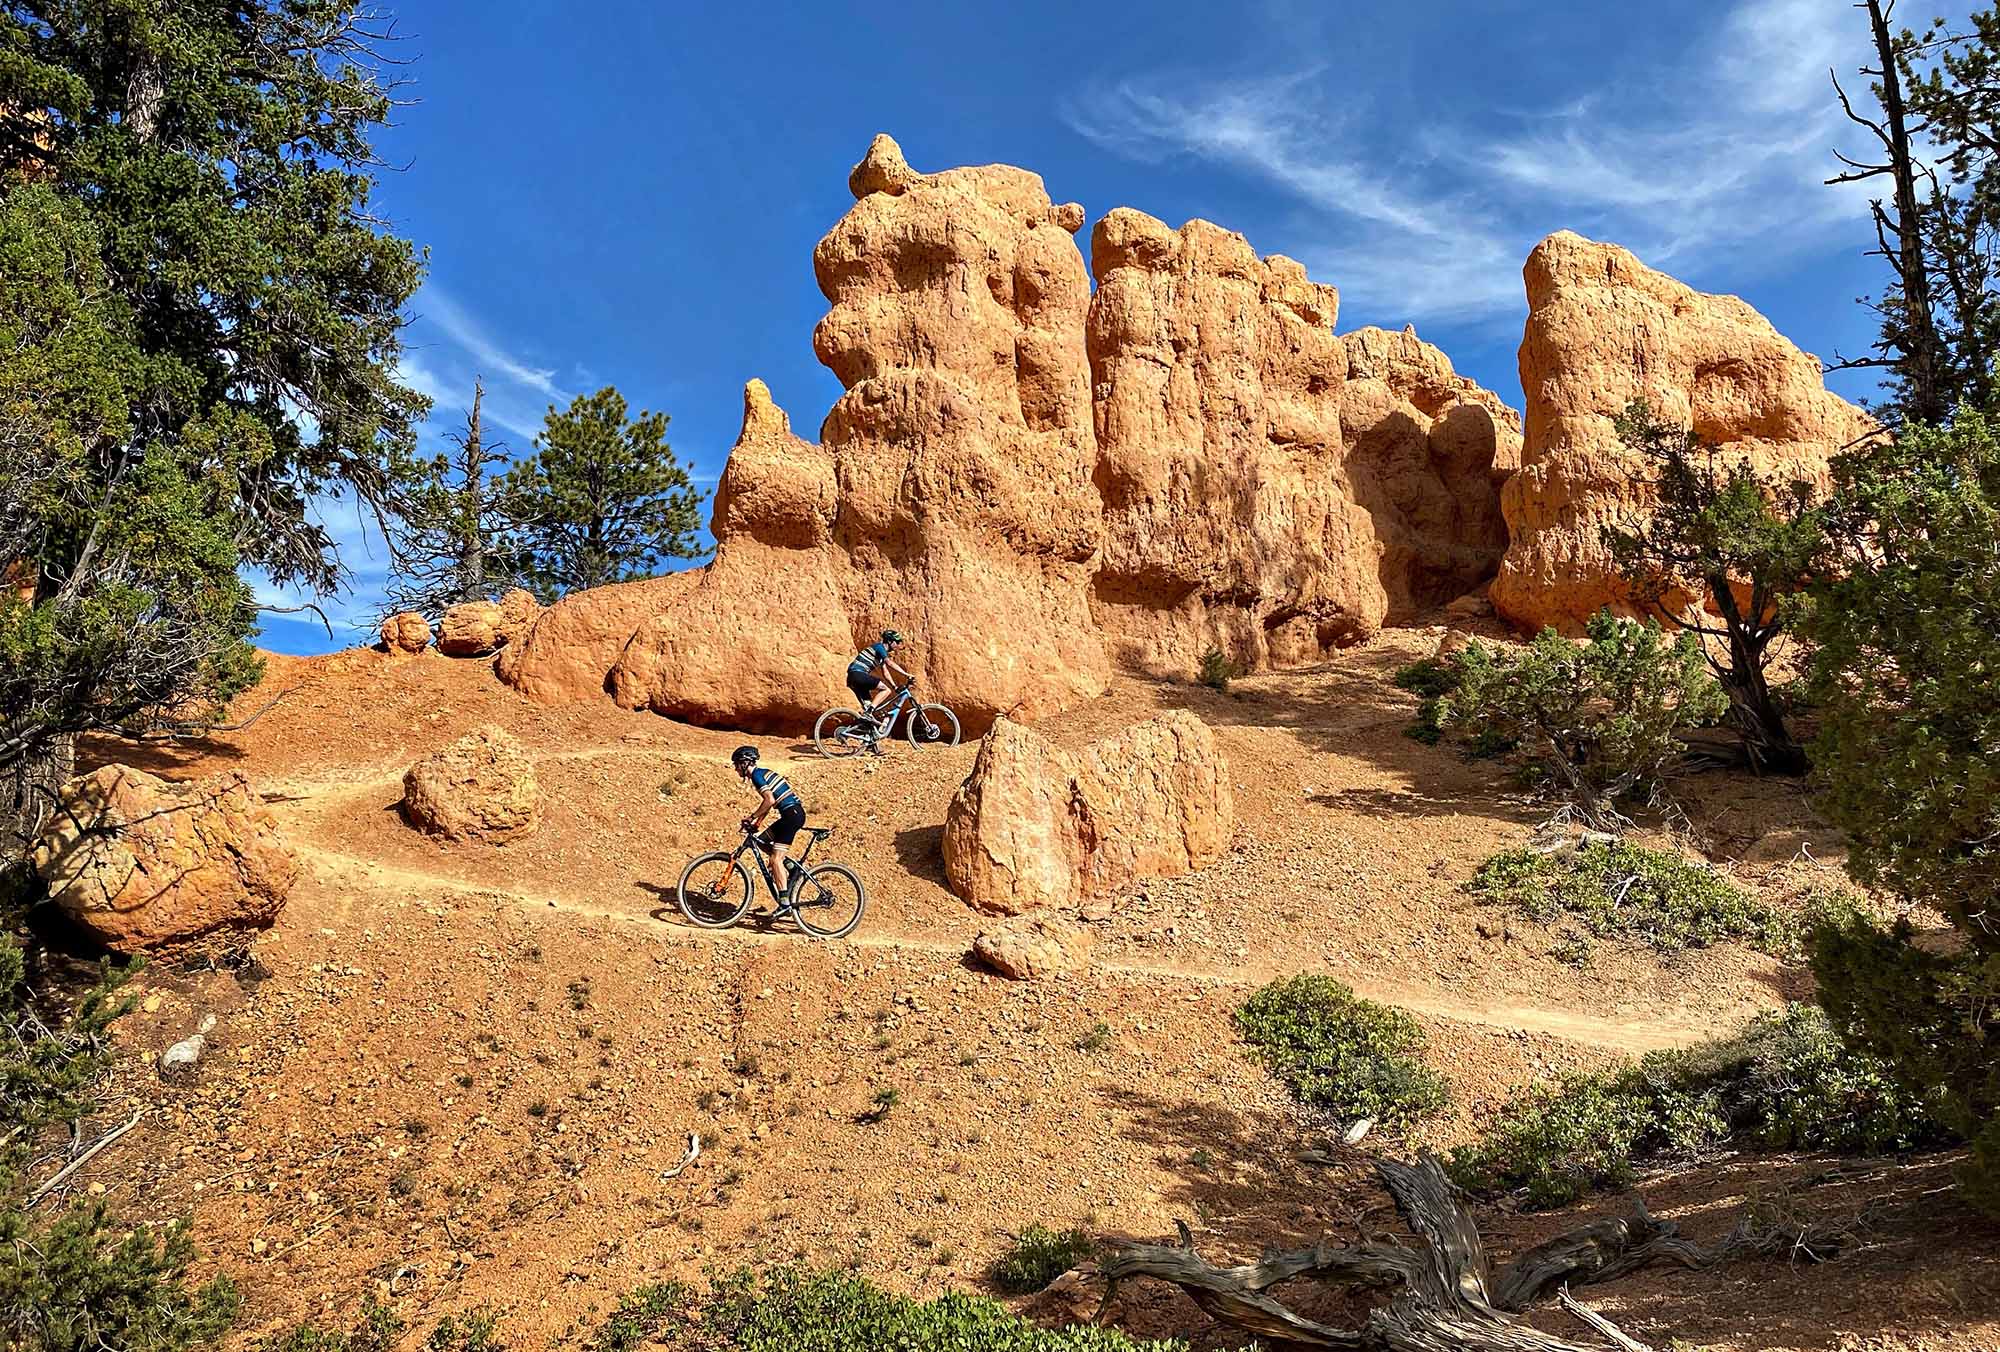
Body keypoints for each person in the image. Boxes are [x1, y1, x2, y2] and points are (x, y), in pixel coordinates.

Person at [732, 745, 806, 898]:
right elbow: (768, 803)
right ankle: (792, 867)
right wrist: (757, 823)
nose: (735, 769)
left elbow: (769, 800)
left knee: (775, 859)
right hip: (791, 814)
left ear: (745, 763)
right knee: (759, 840)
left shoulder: (757, 776)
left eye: (737, 764)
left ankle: (785, 901)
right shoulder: (761, 773)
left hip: (791, 815)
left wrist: (752, 817)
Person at [846, 629, 913, 723]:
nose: (898, 645)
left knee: (869, 706)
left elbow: (886, 673)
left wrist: (895, 687)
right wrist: (906, 674)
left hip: (853, 677)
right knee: (886, 690)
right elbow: (889, 663)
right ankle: (868, 713)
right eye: (897, 642)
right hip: (858, 674)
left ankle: (863, 729)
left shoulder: (880, 655)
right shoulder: (879, 647)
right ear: (890, 641)